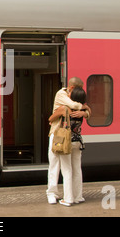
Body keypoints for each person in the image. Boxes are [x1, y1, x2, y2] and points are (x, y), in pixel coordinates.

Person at [46, 77, 90, 206]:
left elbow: (52, 118)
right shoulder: (61, 94)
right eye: (80, 88)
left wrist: (85, 112)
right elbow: (79, 106)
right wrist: (85, 111)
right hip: (75, 138)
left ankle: (67, 197)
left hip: (60, 136)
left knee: (60, 167)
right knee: (74, 167)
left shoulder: (69, 103)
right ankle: (74, 196)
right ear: (71, 88)